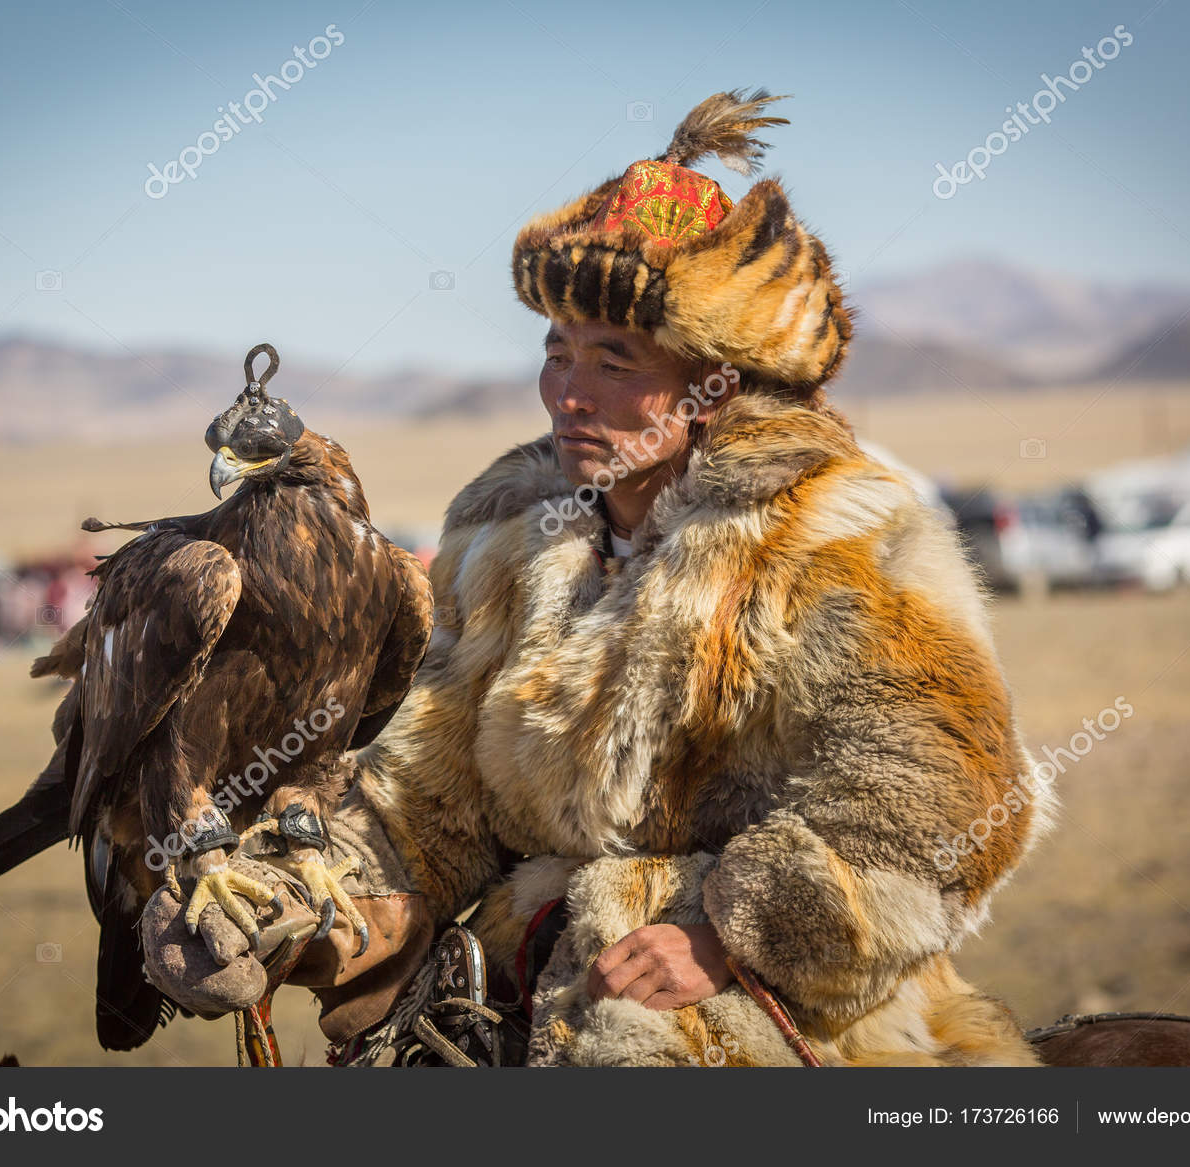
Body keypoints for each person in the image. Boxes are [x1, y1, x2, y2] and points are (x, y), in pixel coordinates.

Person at [166, 91, 1054, 1067]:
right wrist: (302, 899)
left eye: (616, 360)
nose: (571, 393)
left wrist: (739, 940)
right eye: (557, 352)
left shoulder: (839, 539)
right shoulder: (505, 539)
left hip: (785, 1014)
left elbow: (947, 808)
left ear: (712, 381)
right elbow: (432, 790)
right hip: (527, 979)